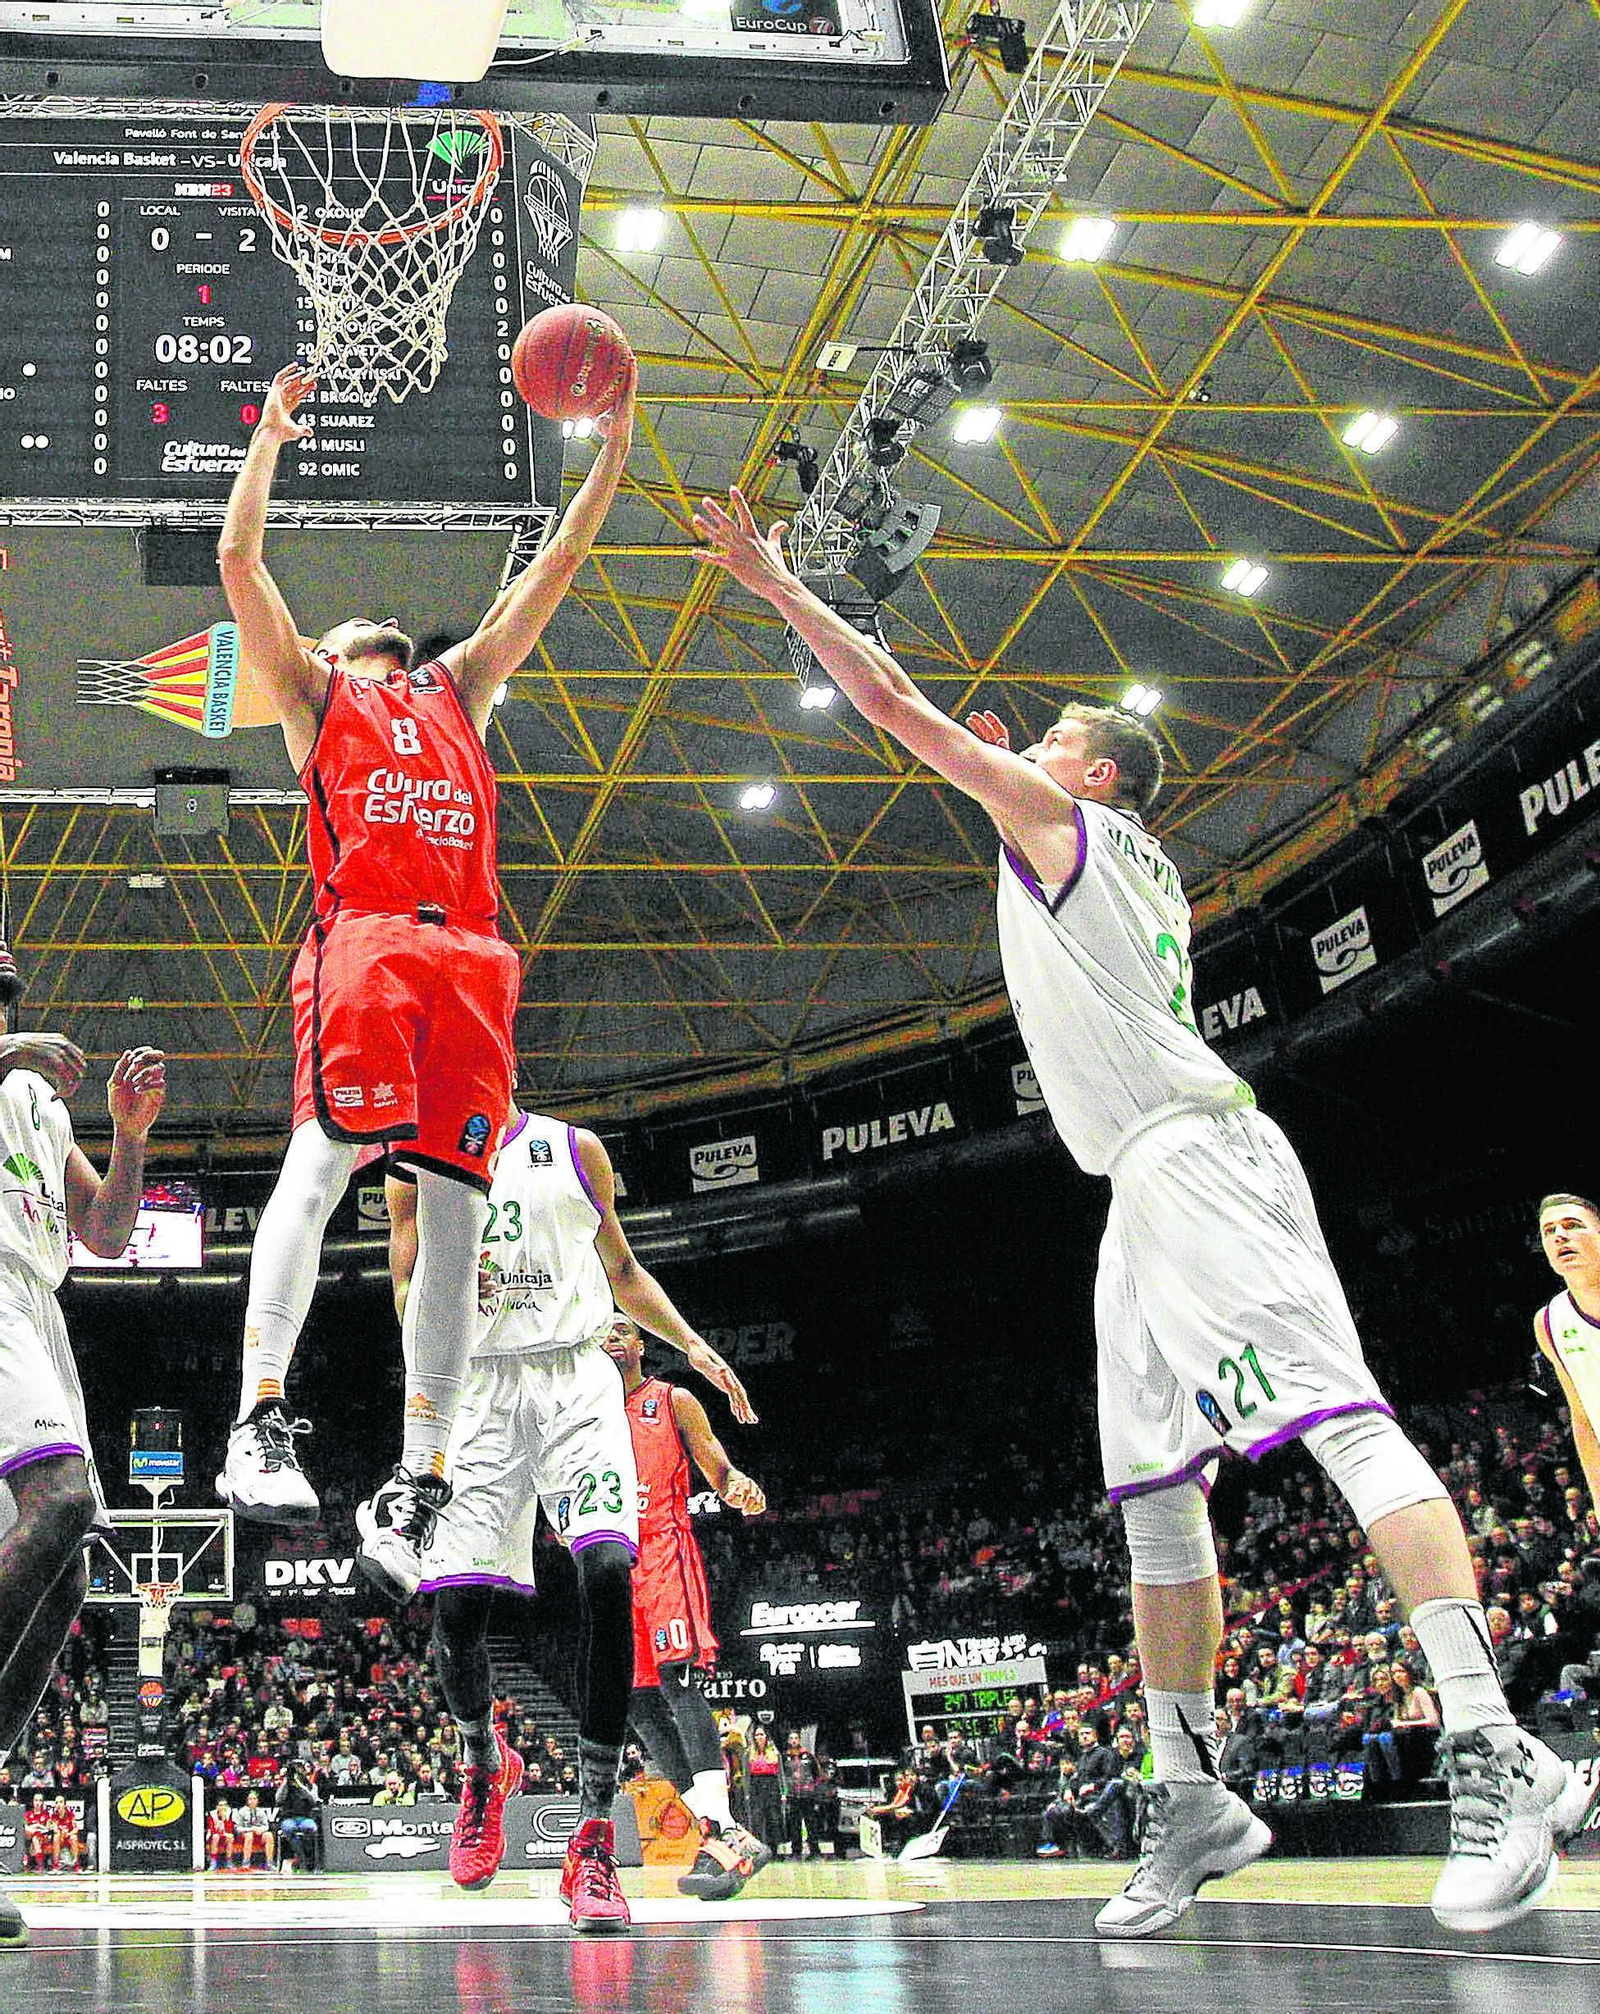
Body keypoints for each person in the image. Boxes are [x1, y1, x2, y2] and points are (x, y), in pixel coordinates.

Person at [692, 485, 1599, 1939]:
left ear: (1097, 777)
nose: (1024, 747)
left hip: (1202, 1160)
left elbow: (896, 706)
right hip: (1135, 1187)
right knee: (1154, 1505)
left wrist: (778, 582)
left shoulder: (1071, 829)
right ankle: (1190, 1790)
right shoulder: (1087, 846)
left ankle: (1494, 1740)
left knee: (1345, 1421)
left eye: (1050, 739)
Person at [213, 352, 639, 1606]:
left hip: (472, 954)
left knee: (453, 1211)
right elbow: (242, 565)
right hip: (371, 939)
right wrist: (271, 437)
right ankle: (260, 1412)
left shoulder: (460, 689)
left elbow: (552, 569)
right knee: (326, 1160)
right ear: (339, 657)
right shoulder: (312, 694)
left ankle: (421, 1476)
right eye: (355, 634)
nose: (373, 631)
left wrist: (611, 446)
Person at [387, 1110, 752, 1933]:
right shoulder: (413, 1163)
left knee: (608, 1573)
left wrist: (694, 1347)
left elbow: (620, 1268)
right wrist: (435, 1309)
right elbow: (405, 1288)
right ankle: (485, 1763)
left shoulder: (574, 1148)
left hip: (576, 1379)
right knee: (457, 1613)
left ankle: (590, 1838)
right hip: (475, 1385)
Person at [0, 939, 166, 1946]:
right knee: (60, 1502)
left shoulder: (38, 1103)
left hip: (35, 1304)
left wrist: (129, 1134)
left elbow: (105, 1232)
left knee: (64, 1575)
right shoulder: (10, 1064)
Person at [600, 1316, 773, 1902]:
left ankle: (723, 1828)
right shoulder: (581, 1412)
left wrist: (736, 1484)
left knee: (678, 1688)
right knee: (639, 1706)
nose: (611, 1337)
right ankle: (723, 1835)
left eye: (622, 1328)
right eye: (600, 1331)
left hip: (664, 1553)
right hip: (610, 1563)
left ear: (641, 1343)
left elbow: (716, 1467)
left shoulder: (672, 1400)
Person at [1533, 1195, 1600, 1515]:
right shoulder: (1549, 1321)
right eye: (1548, 1231)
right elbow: (1583, 1418)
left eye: (1573, 1226)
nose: (1559, 1235)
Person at [275, 1759, 320, 1871]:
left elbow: (314, 1800)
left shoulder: (310, 1785)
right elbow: (278, 1799)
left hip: (305, 1818)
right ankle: (301, 1857)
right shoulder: (286, 1786)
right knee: (290, 1829)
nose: (298, 1772)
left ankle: (307, 1857)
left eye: (300, 1768)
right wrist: (286, 1782)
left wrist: (300, 1786)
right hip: (288, 1818)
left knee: (310, 1828)